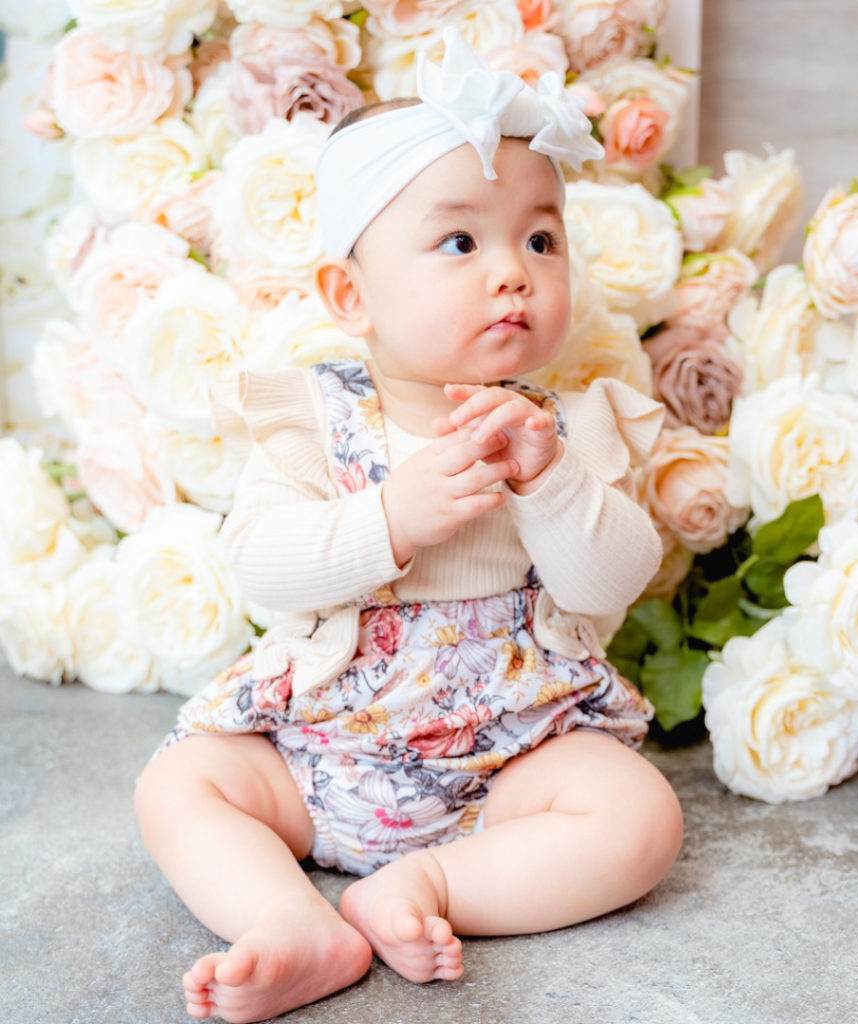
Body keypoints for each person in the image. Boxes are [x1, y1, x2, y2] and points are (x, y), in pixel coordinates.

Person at [134, 30, 683, 1024]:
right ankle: (288, 920)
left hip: (512, 757)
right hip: (320, 750)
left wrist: (553, 485)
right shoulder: (314, 422)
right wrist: (387, 518)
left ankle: (431, 885)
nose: (513, 273)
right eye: (461, 242)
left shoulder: (564, 430)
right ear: (352, 296)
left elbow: (613, 580)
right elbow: (260, 562)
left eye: (541, 240)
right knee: (180, 785)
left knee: (640, 815)